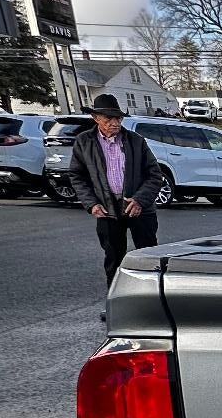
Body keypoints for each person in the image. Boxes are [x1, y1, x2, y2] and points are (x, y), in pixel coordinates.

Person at [68, 94, 165, 318]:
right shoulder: (84, 141)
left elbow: (154, 174)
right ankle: (116, 305)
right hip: (107, 209)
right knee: (114, 259)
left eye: (118, 119)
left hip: (139, 208)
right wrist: (91, 203)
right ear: (96, 118)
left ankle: (153, 305)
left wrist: (140, 199)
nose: (115, 123)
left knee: (148, 256)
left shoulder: (135, 140)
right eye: (109, 118)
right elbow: (76, 176)